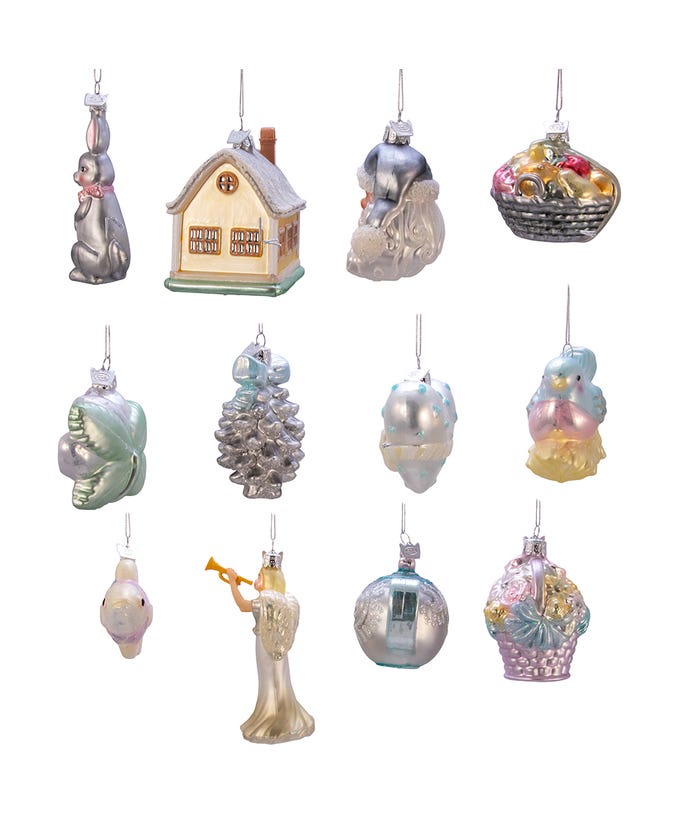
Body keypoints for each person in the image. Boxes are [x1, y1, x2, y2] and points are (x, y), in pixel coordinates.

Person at [225, 551, 314, 744]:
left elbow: (242, 605)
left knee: (268, 680)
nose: (256, 579)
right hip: (277, 647)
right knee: (278, 679)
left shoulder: (264, 601)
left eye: (260, 576)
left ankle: (272, 717)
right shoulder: (282, 601)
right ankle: (279, 715)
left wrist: (232, 582)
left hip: (264, 646)